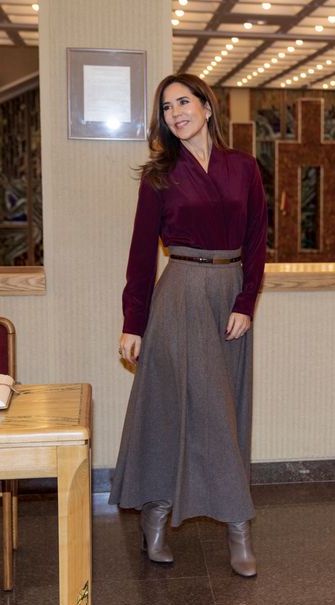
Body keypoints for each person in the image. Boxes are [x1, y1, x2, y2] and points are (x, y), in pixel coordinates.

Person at [110, 73, 267, 578]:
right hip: (177, 295)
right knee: (169, 408)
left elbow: (259, 242)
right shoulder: (159, 175)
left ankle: (237, 526)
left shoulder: (243, 167)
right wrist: (133, 320)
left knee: (225, 410)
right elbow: (138, 254)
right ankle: (156, 516)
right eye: (167, 107)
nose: (176, 113)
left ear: (206, 106)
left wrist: (246, 302)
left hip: (229, 297)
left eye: (184, 102)